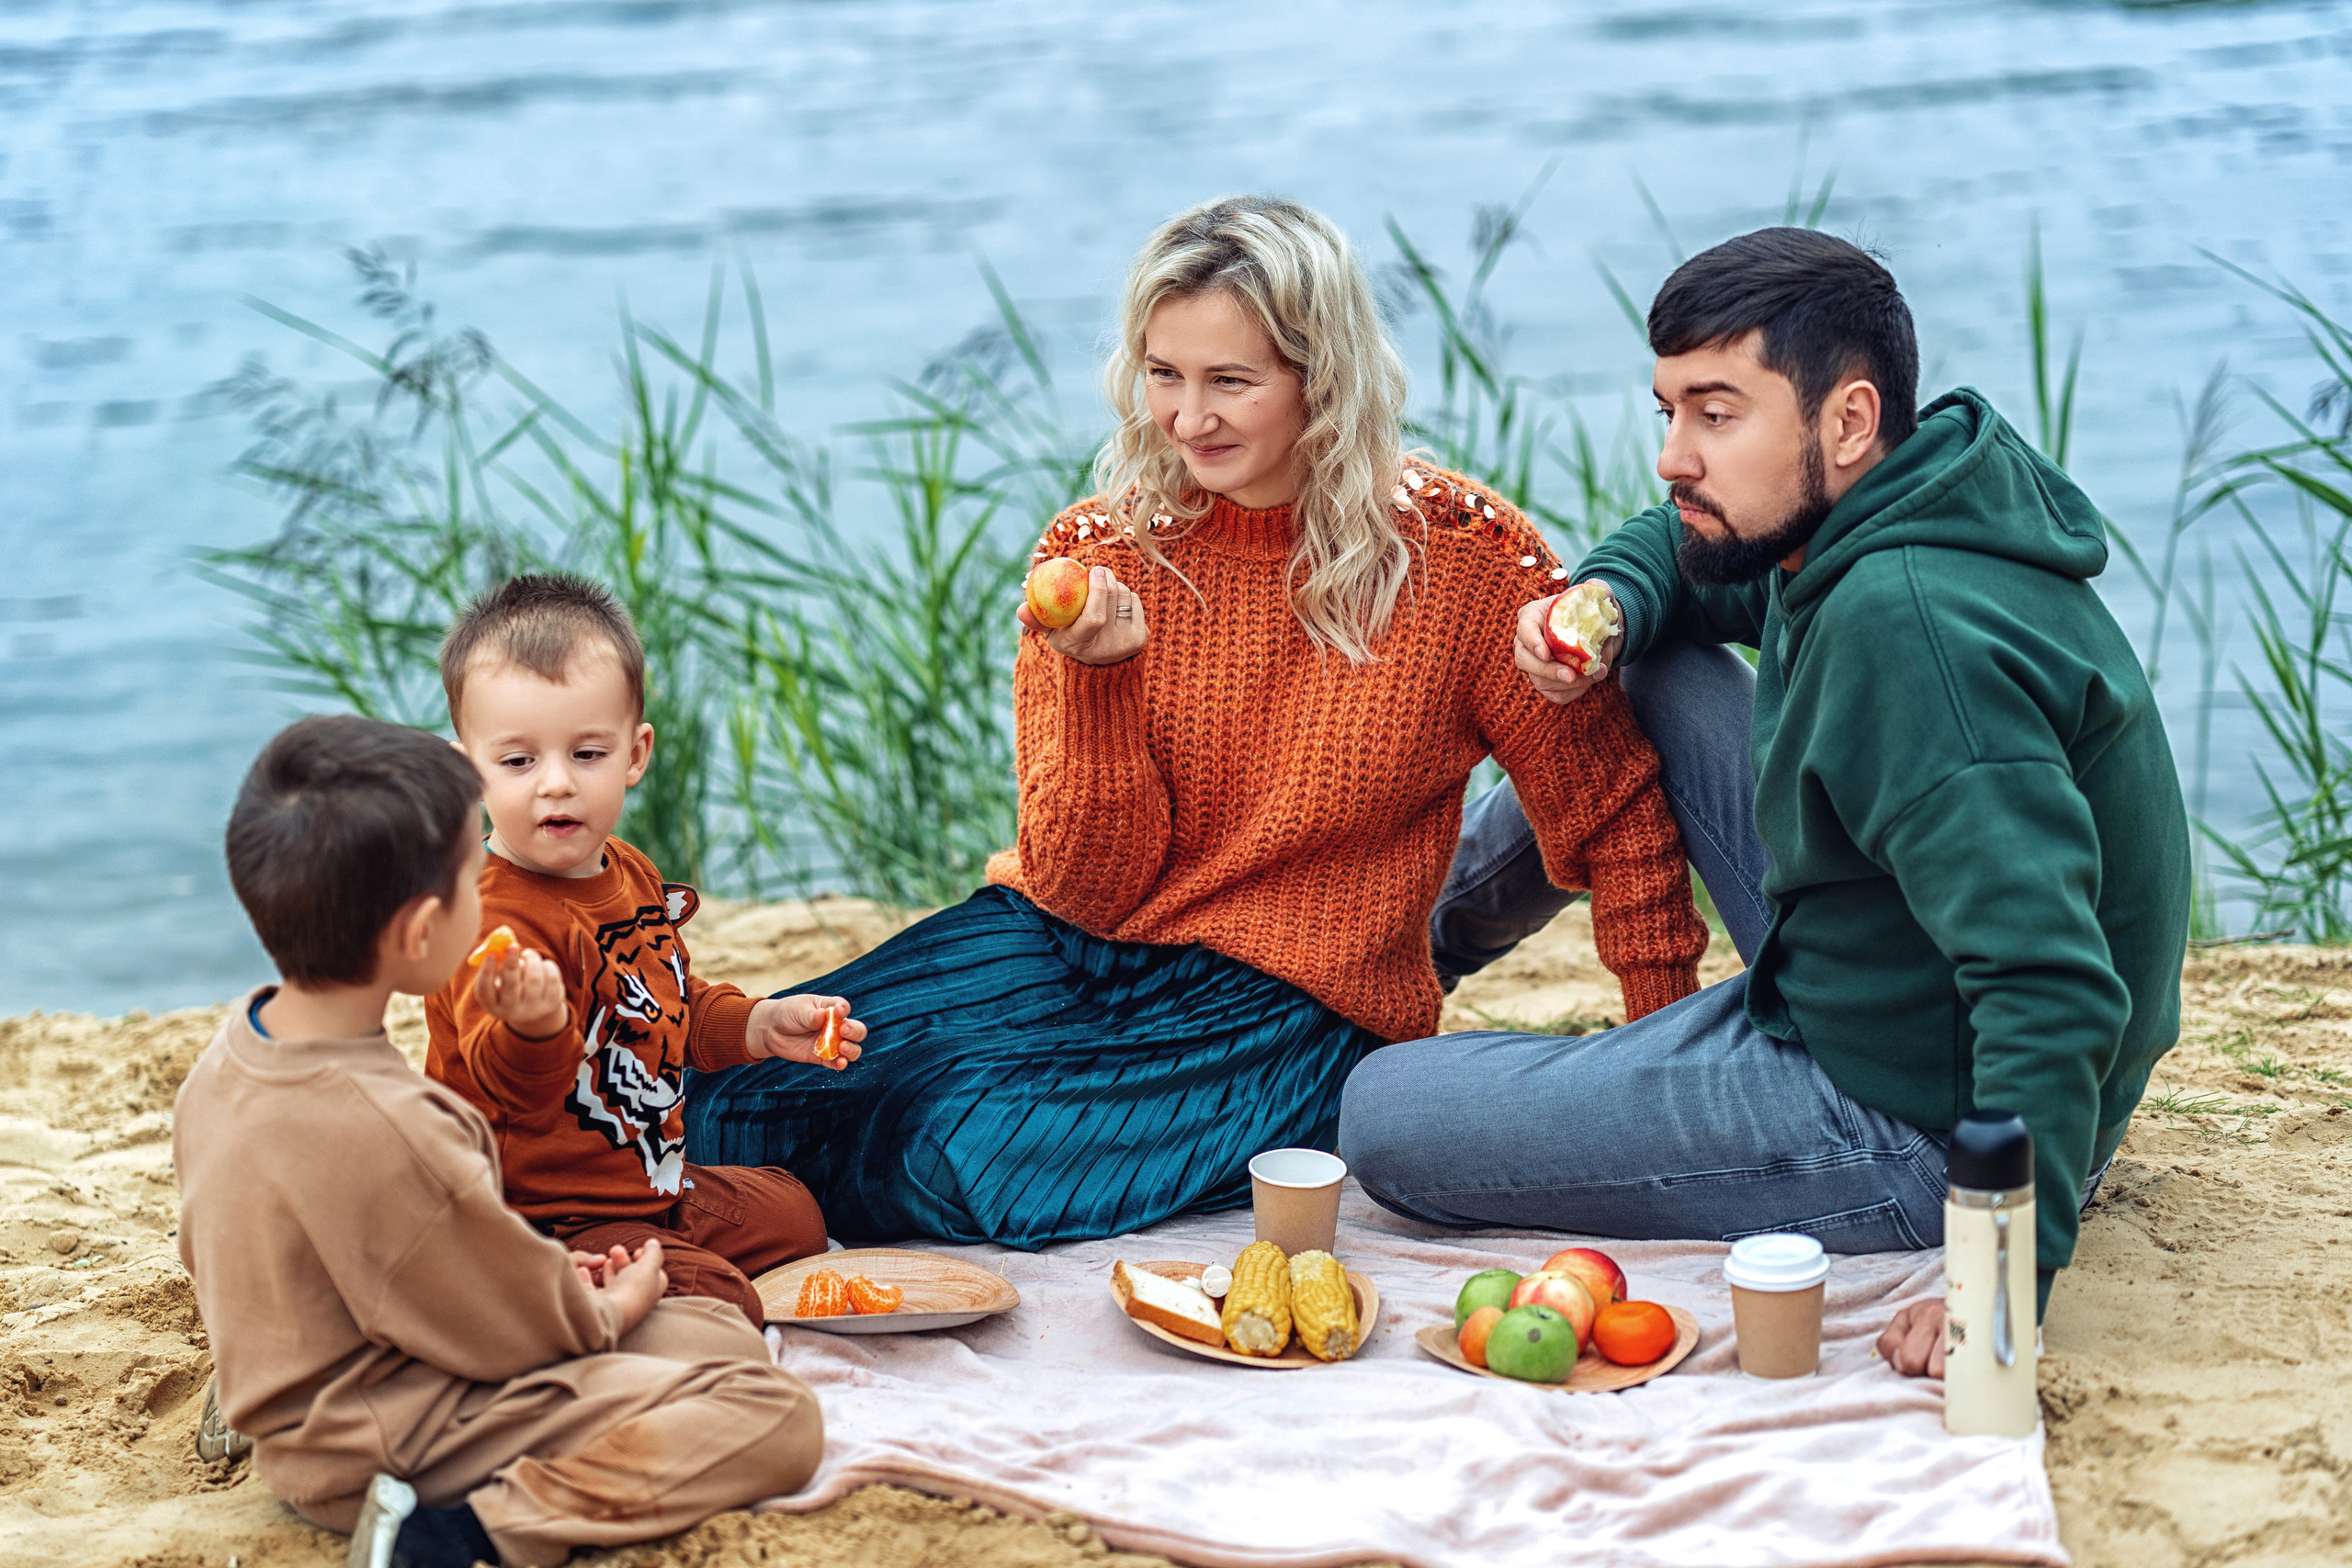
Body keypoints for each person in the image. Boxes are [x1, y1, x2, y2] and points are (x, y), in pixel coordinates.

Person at [685, 195, 1712, 1247]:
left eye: (1230, 381)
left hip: (1292, 1005)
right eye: (1163, 375)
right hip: (1072, 944)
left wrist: (1658, 1057)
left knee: (943, 1153)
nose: (1186, 419)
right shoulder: (1098, 554)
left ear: (1324, 378)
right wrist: (1098, 683)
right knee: (736, 1082)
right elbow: (1086, 887)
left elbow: (1613, 814)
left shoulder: (1462, 558)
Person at [1339, 228, 2192, 1367]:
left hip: (1917, 1117)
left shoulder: (1906, 633)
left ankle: (1371, 1022)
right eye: (1668, 412)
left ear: (1845, 420)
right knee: (1643, 658)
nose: (1673, 458)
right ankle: (1377, 957)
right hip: (1882, 977)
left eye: (1717, 413)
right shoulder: (1884, 502)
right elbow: (1678, 561)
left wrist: (1994, 1289)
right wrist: (1604, 603)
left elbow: (2050, 983)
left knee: (1384, 1116)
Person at [178, 714, 822, 1568]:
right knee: (770, 1406)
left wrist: (549, 1278)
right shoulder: (400, 1128)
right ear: (419, 935)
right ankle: (466, 1536)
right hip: (386, 1434)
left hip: (315, 1380)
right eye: (468, 878)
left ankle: (259, 1394)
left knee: (708, 1329)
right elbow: (511, 1331)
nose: (486, 891)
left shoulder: (229, 1058)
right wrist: (608, 1307)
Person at [423, 573, 865, 1329]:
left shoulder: (627, 870)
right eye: (519, 761)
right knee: (726, 1297)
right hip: (539, 1212)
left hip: (647, 1182)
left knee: (797, 1215)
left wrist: (759, 1024)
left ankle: (653, 1243)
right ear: (468, 768)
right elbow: (506, 1089)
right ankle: (544, 1289)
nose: (557, 784)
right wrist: (531, 1029)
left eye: (587, 752)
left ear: (636, 753)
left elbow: (668, 1002)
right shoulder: (490, 919)